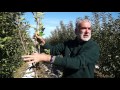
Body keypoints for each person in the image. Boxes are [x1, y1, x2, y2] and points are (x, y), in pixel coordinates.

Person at [22, 19, 100, 78]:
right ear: (76, 31)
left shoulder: (93, 46)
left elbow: (77, 63)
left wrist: (45, 57)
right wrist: (43, 42)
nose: (87, 31)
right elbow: (52, 50)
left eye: (89, 28)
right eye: (83, 28)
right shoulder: (68, 44)